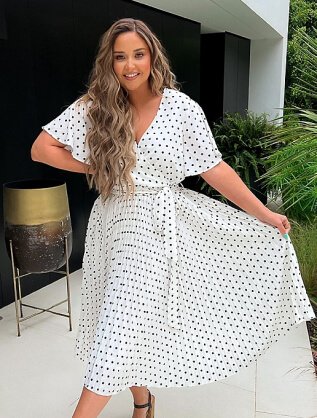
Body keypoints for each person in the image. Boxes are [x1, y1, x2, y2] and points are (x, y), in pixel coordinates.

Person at [31, 17, 315, 418]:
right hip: (113, 226)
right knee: (123, 322)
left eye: (138, 55)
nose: (130, 66)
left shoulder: (181, 109)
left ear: (152, 57)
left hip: (160, 228)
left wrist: (265, 214)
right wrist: (99, 167)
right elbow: (42, 149)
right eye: (120, 57)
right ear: (109, 63)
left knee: (118, 329)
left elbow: (214, 169)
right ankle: (143, 401)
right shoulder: (97, 106)